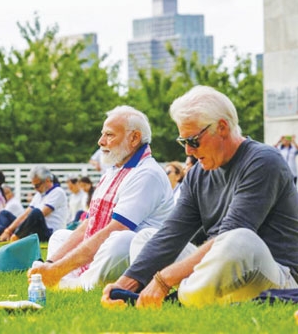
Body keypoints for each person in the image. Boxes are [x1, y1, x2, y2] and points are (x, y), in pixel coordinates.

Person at [101, 86, 298, 308]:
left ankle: (175, 301)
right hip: (219, 268)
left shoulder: (263, 161)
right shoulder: (198, 173)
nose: (188, 151)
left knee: (238, 239)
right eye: (183, 142)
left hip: (276, 275)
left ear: (222, 127)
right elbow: (171, 233)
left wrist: (163, 281)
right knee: (147, 236)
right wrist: (123, 285)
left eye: (193, 141)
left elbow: (231, 236)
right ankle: (166, 296)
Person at [29, 105, 174, 290]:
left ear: (134, 138)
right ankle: (63, 280)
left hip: (137, 257)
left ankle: (76, 285)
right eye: (102, 134)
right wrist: (49, 264)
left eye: (109, 135)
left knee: (120, 240)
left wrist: (58, 269)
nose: (100, 141)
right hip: (105, 250)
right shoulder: (113, 170)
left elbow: (115, 229)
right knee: (60, 236)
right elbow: (88, 225)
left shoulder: (147, 173)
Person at [0, 166, 68, 242]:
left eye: (37, 185)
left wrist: (17, 231)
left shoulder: (58, 192)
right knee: (4, 214)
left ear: (47, 180)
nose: (35, 188)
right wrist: (8, 230)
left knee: (36, 212)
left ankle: (16, 236)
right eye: (33, 186)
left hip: (50, 232)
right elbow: (25, 214)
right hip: (35, 227)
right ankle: (6, 235)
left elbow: (40, 214)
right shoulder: (39, 195)